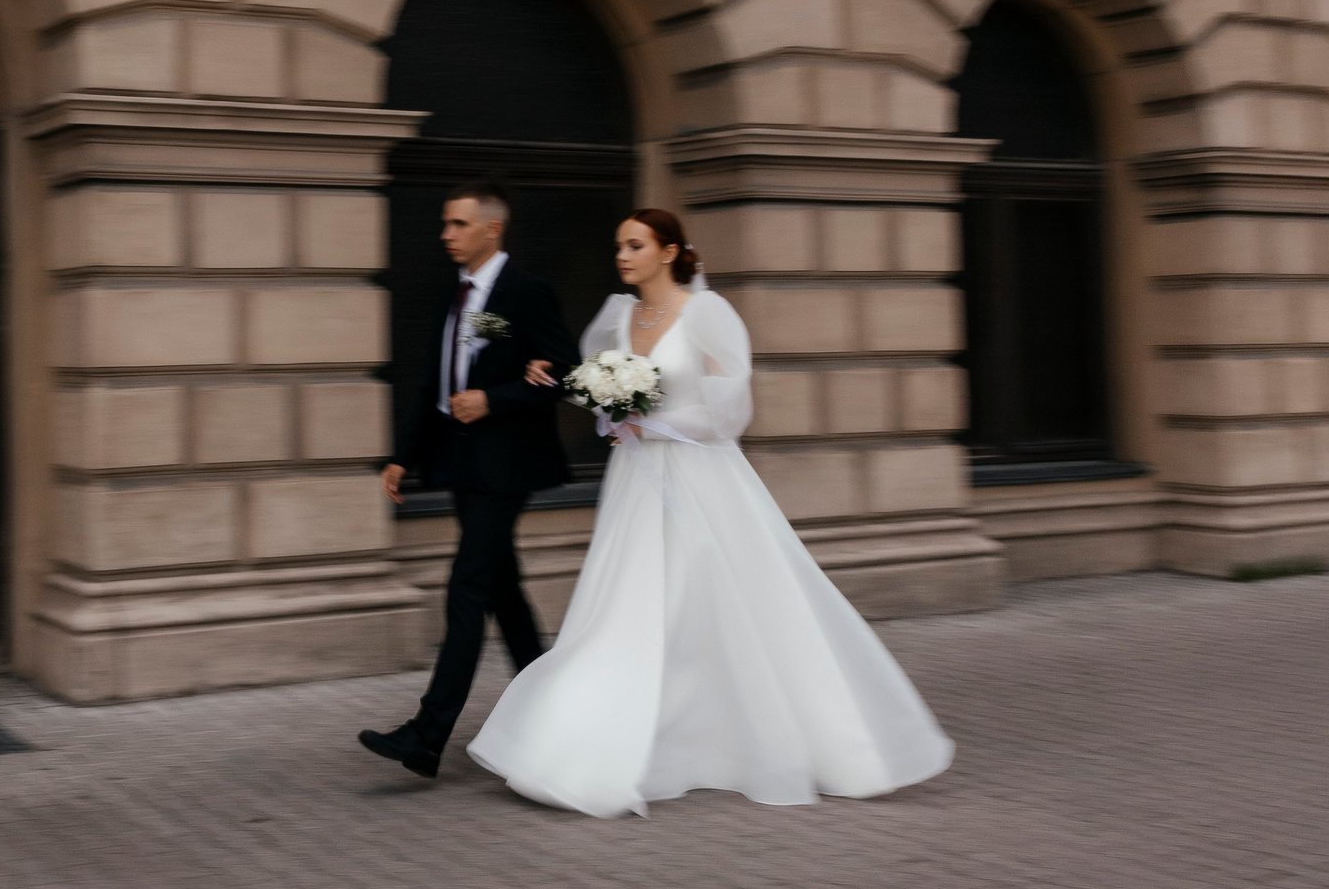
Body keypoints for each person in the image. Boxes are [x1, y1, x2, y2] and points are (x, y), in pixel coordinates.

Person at [466, 208, 954, 817]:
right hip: (636, 482)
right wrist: (593, 399)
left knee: (722, 598)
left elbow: (730, 412)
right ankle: (598, 740)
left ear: (668, 252)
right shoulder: (620, 315)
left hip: (702, 476)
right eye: (618, 245)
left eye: (635, 244)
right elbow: (593, 387)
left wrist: (655, 420)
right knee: (629, 603)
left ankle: (761, 735)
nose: (622, 255)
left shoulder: (707, 312)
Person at [358, 182, 577, 779]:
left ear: (491, 229)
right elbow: (438, 379)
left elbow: (565, 371)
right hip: (461, 463)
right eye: (445, 224)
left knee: (468, 588)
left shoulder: (527, 292)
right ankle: (553, 707)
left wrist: (496, 398)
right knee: (503, 593)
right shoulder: (459, 297)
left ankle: (427, 736)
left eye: (457, 224)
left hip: (507, 465)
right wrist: (404, 454)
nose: (445, 235)